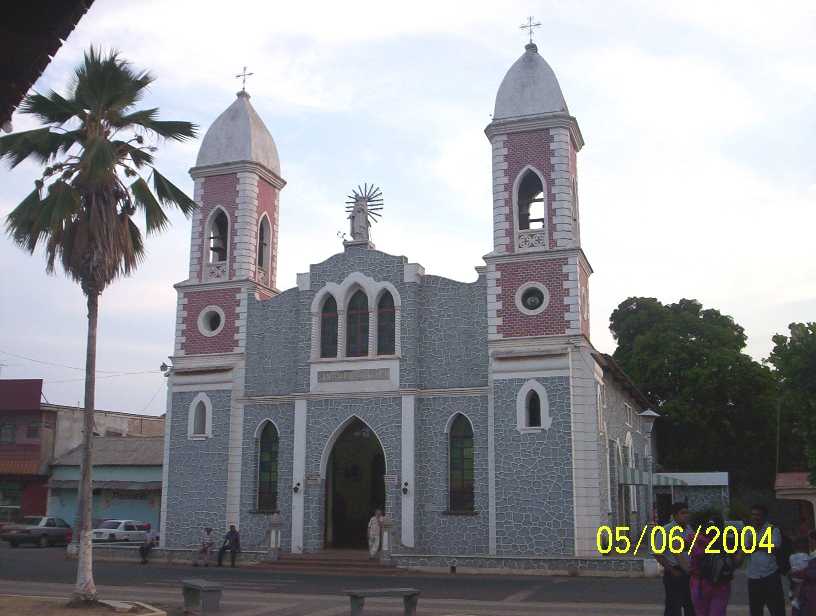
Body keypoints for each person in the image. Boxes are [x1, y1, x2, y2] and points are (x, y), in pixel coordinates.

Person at [688, 513, 736, 616]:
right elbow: (736, 560)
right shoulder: (727, 540)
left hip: (700, 582)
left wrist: (687, 568)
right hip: (720, 583)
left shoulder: (695, 538)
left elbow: (675, 547)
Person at [653, 501, 695, 616]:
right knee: (673, 606)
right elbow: (657, 553)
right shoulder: (666, 530)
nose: (686, 516)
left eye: (687, 513)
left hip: (689, 572)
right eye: (683, 513)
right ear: (675, 515)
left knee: (690, 604)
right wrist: (672, 570)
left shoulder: (689, 529)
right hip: (673, 572)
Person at [743, 504, 785, 616]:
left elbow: (775, 548)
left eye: (758, 515)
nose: (755, 517)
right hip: (753, 576)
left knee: (777, 609)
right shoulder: (748, 531)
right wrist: (762, 546)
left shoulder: (773, 530)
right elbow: (746, 549)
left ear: (765, 516)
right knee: (755, 610)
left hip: (771, 575)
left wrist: (756, 546)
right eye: (753, 515)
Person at [791, 531, 816, 616]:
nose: (809, 544)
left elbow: (810, 573)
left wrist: (798, 573)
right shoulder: (809, 556)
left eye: (810, 541)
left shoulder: (811, 557)